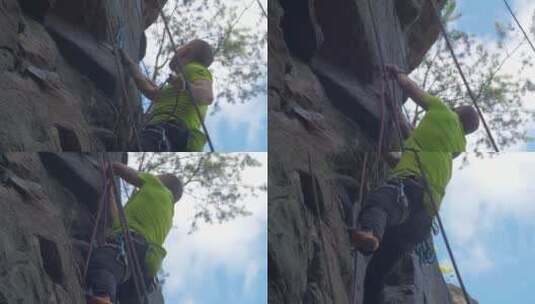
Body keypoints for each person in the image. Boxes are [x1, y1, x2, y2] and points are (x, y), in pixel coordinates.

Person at [350, 64, 480, 303]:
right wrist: (393, 113)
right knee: (378, 270)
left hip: (411, 189)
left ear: (457, 110)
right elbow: (409, 136)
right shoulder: (453, 146)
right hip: (423, 219)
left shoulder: (443, 111)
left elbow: (411, 89)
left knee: (381, 202)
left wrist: (397, 73)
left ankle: (369, 231)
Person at [86, 162, 183, 304]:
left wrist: (113, 167)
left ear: (162, 180)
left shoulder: (157, 185)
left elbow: (129, 173)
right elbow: (117, 222)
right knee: (127, 294)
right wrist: (111, 193)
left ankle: (103, 297)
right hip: (147, 265)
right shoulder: (169, 216)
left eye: (159, 176)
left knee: (105, 262)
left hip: (133, 241)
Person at [121, 39, 215, 152]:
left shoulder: (194, 68)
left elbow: (207, 95)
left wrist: (185, 85)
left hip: (172, 131)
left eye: (181, 47)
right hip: (167, 133)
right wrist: (130, 65)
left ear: (186, 51)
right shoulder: (176, 88)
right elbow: (152, 92)